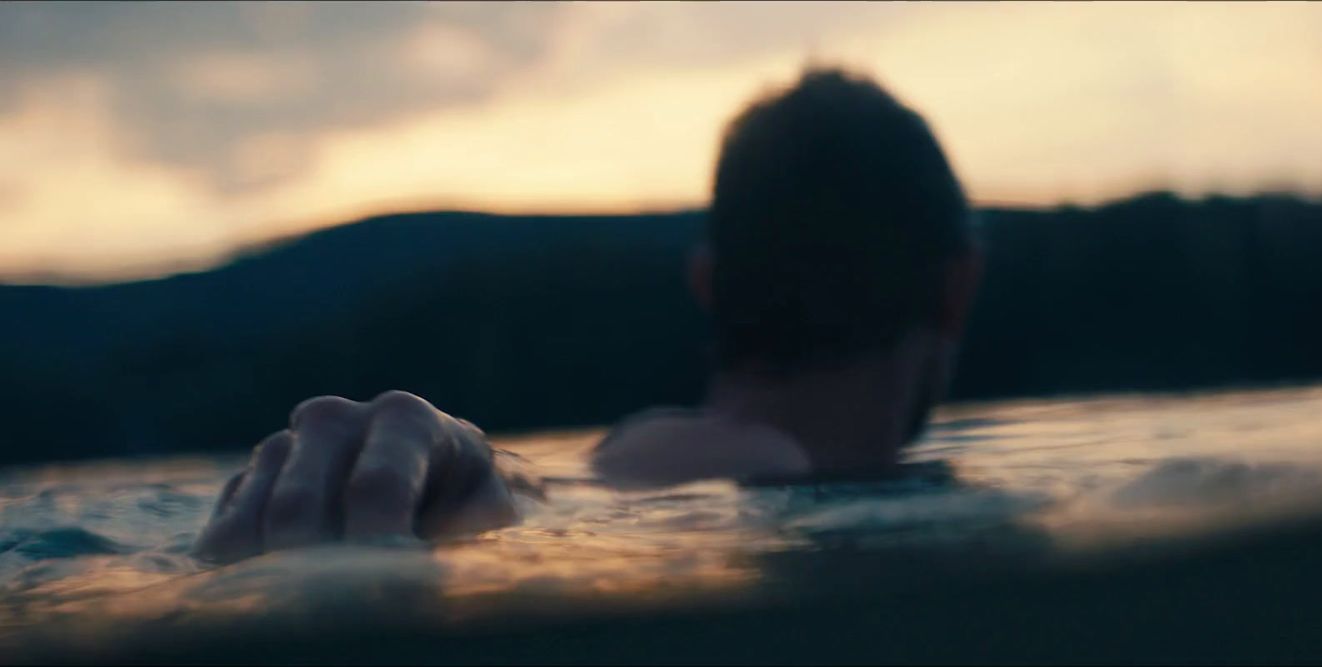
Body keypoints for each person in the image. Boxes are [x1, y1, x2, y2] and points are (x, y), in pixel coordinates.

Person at [194, 66, 984, 564]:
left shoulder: (673, 445)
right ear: (957, 291)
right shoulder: (756, 460)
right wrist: (468, 468)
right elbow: (586, 496)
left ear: (706, 285)